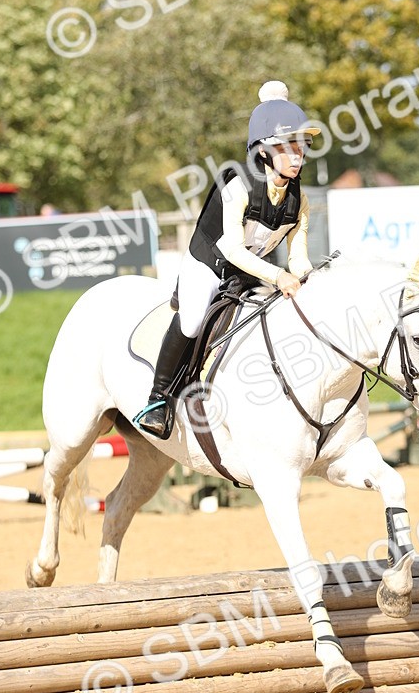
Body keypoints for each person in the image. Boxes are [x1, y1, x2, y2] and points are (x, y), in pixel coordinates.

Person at [134, 81, 321, 439]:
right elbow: (233, 250)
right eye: (288, 147)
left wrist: (309, 278)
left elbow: (298, 257)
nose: (298, 156)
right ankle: (158, 400)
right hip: (208, 263)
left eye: (301, 147)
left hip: (249, 272)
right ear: (264, 151)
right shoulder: (238, 185)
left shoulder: (300, 200)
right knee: (192, 321)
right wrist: (279, 276)